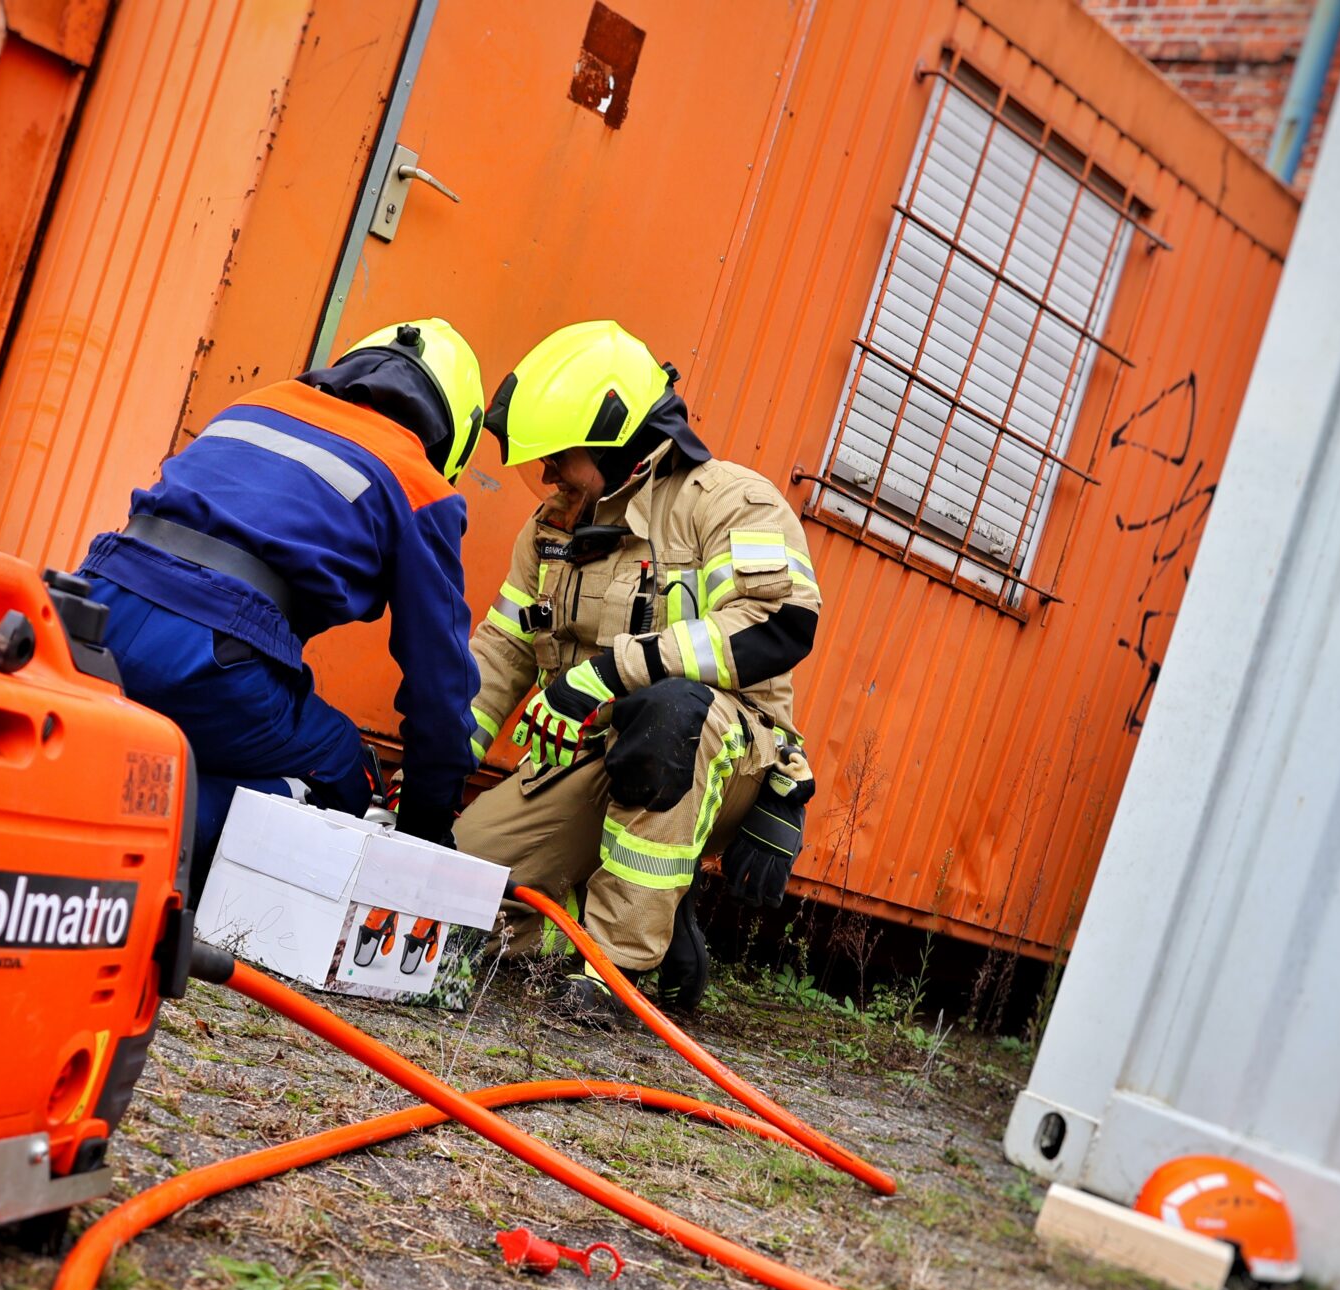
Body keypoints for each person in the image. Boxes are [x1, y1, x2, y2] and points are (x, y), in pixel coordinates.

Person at [456, 321, 820, 1026]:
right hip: (600, 753)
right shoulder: (551, 530)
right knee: (468, 876)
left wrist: (604, 675)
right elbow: (501, 652)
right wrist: (442, 762)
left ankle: (616, 970)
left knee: (671, 714)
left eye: (560, 458)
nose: (549, 476)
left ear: (615, 439)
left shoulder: (727, 501)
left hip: (722, 753)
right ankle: (638, 907)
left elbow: (779, 625)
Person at [72, 319, 488, 860]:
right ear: (453, 434)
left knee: (166, 733)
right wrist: (427, 821)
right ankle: (137, 825)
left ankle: (75, 810)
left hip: (94, 606)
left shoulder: (258, 404)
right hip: (211, 652)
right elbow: (440, 686)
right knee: (344, 769)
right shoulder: (419, 483)